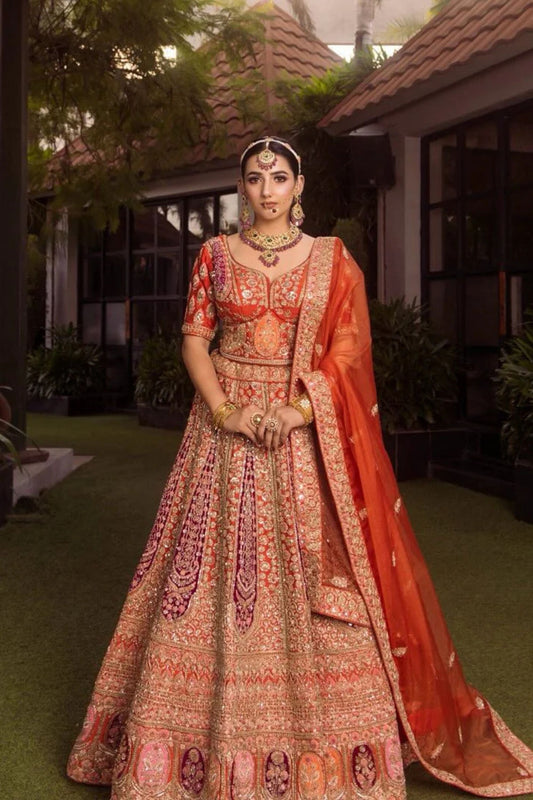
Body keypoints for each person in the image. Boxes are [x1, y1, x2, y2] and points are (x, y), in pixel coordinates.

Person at [67, 137, 533, 799]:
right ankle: (178, 749)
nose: (265, 189)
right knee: (200, 578)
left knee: (315, 580)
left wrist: (297, 413)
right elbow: (193, 338)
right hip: (220, 438)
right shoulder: (212, 256)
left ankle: (337, 752)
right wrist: (226, 410)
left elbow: (346, 354)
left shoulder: (331, 260)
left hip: (300, 436)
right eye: (253, 178)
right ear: (240, 186)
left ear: (299, 186)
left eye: (277, 177)